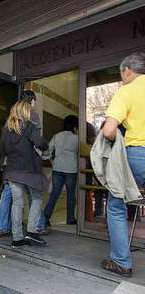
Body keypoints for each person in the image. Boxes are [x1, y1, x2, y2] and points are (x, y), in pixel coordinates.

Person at [100, 52, 145, 278]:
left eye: (121, 74)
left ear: (127, 70)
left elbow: (108, 130)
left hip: (138, 154)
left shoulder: (127, 91)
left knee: (116, 206)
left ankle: (121, 261)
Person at [0, 99, 48, 247]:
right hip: (29, 171)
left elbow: (2, 150)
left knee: (17, 204)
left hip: (12, 171)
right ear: (25, 111)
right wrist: (45, 144)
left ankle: (17, 238)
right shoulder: (29, 126)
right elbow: (39, 142)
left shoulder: (6, 129)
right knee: (37, 198)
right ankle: (32, 232)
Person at [38, 115, 79, 232]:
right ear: (75, 126)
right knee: (71, 194)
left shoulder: (57, 136)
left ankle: (46, 217)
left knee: (55, 194)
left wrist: (52, 160)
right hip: (71, 169)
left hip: (57, 168)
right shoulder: (77, 138)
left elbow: (48, 152)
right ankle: (70, 218)